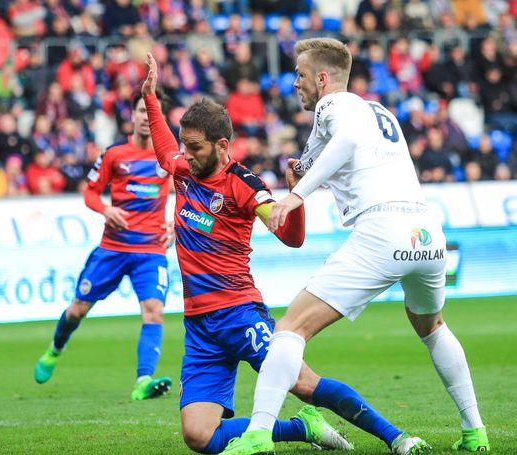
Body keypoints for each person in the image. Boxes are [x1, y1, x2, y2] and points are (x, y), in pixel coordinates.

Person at [142, 52, 421, 455]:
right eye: (185, 146)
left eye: (195, 147)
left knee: (305, 383)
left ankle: (396, 437)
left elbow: (290, 236)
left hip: (239, 312)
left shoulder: (243, 186)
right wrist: (152, 99)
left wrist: (298, 197)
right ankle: (300, 428)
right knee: (198, 437)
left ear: (222, 146)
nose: (186, 155)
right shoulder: (186, 170)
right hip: (199, 326)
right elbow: (165, 150)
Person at [224, 37, 489, 455]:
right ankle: (475, 431)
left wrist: (296, 196)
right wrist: (301, 172)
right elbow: (326, 154)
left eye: (300, 75)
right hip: (426, 232)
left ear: (323, 79)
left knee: (290, 329)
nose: (294, 83)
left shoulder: (333, 106)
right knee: (432, 326)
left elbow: (344, 144)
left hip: (382, 230)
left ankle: (258, 434)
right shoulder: (377, 111)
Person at [33, 91, 174, 401]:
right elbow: (90, 193)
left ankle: (143, 381)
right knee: (77, 310)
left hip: (151, 250)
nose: (145, 118)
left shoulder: (169, 158)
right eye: (141, 111)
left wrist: (176, 225)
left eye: (152, 114)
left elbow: (192, 191)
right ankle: (55, 350)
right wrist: (106, 210)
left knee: (154, 312)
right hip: (113, 247)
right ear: (133, 116)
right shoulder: (114, 155)